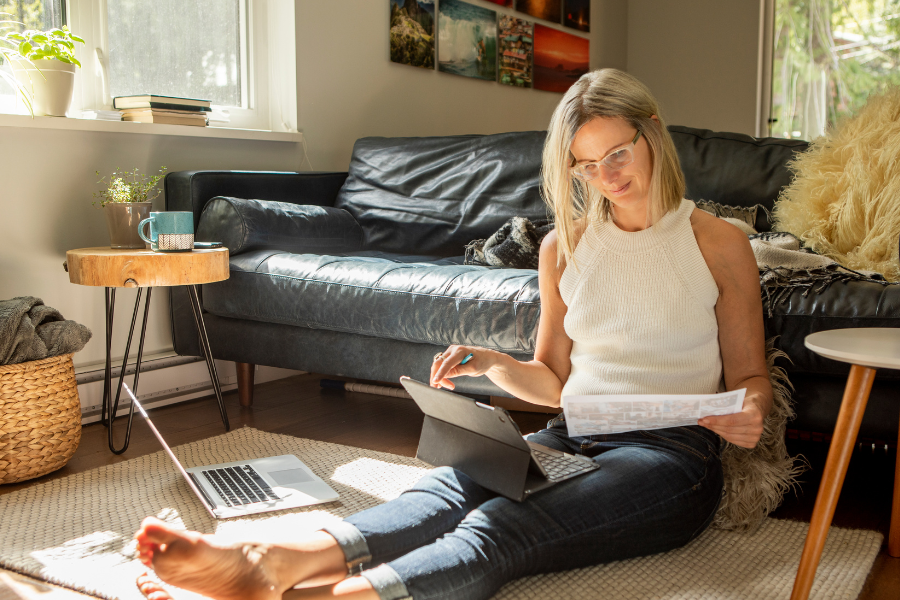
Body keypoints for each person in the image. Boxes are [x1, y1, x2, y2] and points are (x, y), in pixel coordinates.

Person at [133, 68, 771, 600]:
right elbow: (552, 382)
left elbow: (751, 381)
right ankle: (272, 558)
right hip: (572, 431)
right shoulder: (564, 247)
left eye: (617, 155)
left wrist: (749, 412)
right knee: (447, 486)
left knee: (503, 523)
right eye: (584, 166)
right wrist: (494, 363)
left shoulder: (719, 243)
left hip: (669, 458)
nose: (604, 178)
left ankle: (332, 595)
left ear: (652, 132)